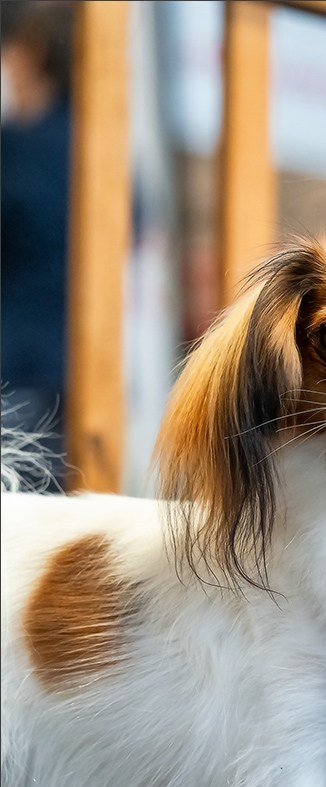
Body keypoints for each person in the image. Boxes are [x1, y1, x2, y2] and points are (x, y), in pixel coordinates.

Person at [1, 1, 74, 483]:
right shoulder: (104, 152)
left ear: (33, 53)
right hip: (76, 366)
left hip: (16, 365)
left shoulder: (17, 151)